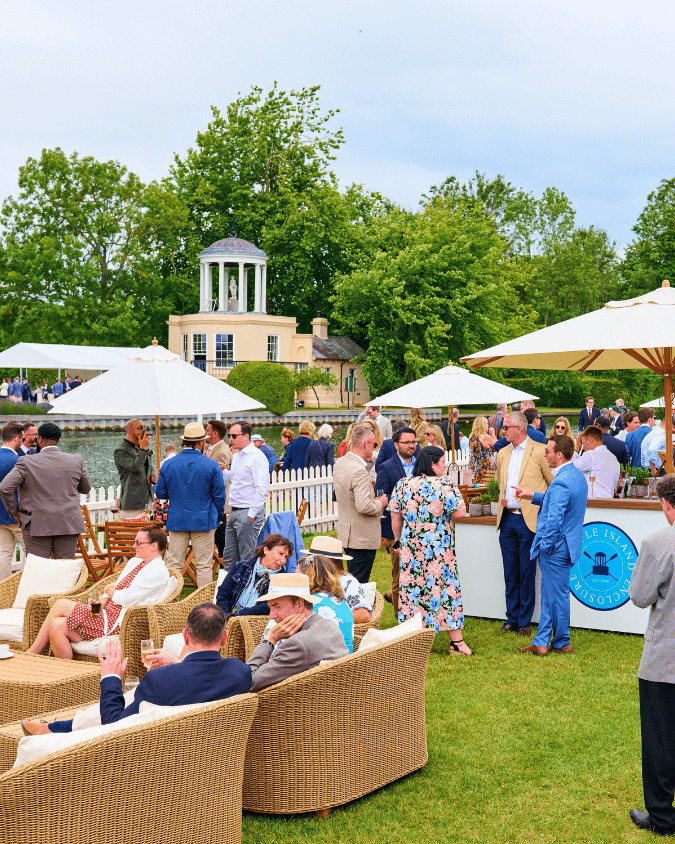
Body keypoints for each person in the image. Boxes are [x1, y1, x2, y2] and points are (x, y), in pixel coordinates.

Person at [21, 603, 251, 735]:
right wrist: (179, 664)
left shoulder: (158, 679)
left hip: (146, 757)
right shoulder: (240, 673)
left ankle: (53, 731)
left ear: (185, 635)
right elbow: (199, 681)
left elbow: (115, 726)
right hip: (203, 754)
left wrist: (110, 677)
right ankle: (54, 728)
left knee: (121, 702)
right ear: (224, 638)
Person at [26, 525, 169, 659]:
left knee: (60, 604)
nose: (134, 546)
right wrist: (100, 604)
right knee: (55, 625)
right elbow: (115, 588)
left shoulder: (158, 571)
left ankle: (31, 654)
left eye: (138, 542)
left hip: (117, 623)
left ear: (153, 546)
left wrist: (109, 589)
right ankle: (66, 674)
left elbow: (124, 598)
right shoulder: (135, 562)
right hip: (105, 614)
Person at [389, 445, 471, 655]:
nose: (444, 466)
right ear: (432, 464)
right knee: (445, 589)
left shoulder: (403, 484)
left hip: (411, 547)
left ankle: (410, 641)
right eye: (442, 462)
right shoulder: (445, 485)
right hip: (438, 547)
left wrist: (398, 541)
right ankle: (457, 643)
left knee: (412, 591)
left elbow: (395, 515)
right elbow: (460, 513)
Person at [628, 474, 675, 835]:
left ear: (665, 504)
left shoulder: (658, 542)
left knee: (660, 740)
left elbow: (641, 595)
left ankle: (662, 817)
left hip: (666, 658)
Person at [513, 435, 587, 656]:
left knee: (556, 594)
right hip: (566, 544)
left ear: (559, 455)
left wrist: (545, 545)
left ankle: (559, 641)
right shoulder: (576, 476)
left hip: (556, 546)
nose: (545, 455)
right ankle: (547, 641)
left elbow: (554, 518)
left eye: (548, 451)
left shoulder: (563, 480)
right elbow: (556, 499)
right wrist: (532, 495)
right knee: (552, 593)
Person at [495, 411, 553, 637]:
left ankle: (523, 622)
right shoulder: (502, 453)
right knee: (510, 571)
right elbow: (500, 484)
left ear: (519, 428)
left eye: (506, 427)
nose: (503, 431)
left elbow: (553, 486)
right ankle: (511, 618)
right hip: (507, 518)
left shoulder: (540, 452)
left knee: (527, 572)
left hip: (529, 519)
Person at [0, 422, 91, 558]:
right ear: (58, 440)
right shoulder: (76, 460)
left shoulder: (26, 462)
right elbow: (86, 489)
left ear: (40, 439)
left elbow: (4, 488)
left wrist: (15, 513)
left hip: (36, 524)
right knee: (64, 569)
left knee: (38, 569)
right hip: (68, 522)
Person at [246, 573, 349, 691]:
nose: (271, 616)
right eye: (270, 608)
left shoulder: (297, 644)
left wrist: (270, 639)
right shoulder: (331, 626)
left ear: (299, 604)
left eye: (277, 606)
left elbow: (248, 681)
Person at [155, 423, 226, 589]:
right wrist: (219, 515)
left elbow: (161, 493)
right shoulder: (211, 464)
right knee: (204, 565)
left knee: (174, 564)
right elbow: (219, 496)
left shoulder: (168, 464)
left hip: (178, 519)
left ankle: (171, 602)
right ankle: (203, 607)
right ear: (201, 443)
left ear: (185, 441)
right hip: (204, 519)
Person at [333, 425, 388, 583]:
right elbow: (364, 506)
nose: (374, 449)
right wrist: (380, 503)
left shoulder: (341, 463)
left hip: (347, 534)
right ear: (366, 444)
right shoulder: (359, 471)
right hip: (361, 537)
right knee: (358, 586)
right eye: (374, 445)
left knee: (352, 582)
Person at [375, 426, 418, 615]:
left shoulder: (421, 465)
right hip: (396, 530)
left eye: (413, 442)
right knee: (399, 574)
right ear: (396, 444)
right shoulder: (387, 467)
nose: (411, 446)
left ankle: (415, 611)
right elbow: (382, 498)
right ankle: (400, 617)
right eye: (406, 442)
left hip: (418, 528)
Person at [220, 421, 269, 571]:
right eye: (230, 435)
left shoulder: (257, 457)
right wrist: (221, 470)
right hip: (234, 510)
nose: (231, 439)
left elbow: (262, 489)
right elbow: (233, 479)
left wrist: (252, 514)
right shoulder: (238, 456)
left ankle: (247, 591)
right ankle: (230, 592)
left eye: (234, 435)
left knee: (246, 558)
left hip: (247, 511)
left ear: (246, 436)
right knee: (229, 557)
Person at [215, 533, 293, 618]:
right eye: (280, 553)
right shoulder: (241, 567)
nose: (283, 561)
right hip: (226, 618)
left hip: (252, 624)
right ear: (266, 550)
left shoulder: (282, 579)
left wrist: (238, 616)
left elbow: (268, 606)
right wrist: (227, 616)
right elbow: (223, 593)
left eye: (286, 557)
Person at [303, 536, 373, 623]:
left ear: (327, 561)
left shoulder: (346, 581)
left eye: (311, 559)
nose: (308, 564)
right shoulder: (308, 577)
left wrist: (329, 620)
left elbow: (363, 615)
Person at [298, 552, 355, 653]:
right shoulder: (340, 601)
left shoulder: (309, 604)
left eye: (296, 577)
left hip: (321, 665)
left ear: (307, 576)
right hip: (346, 662)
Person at [114, 420, 156, 519]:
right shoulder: (121, 451)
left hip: (148, 502)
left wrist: (152, 476)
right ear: (129, 430)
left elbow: (148, 468)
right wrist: (143, 449)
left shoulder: (141, 449)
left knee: (149, 534)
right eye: (140, 428)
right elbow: (135, 468)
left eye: (144, 427)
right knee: (131, 534)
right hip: (132, 505)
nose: (144, 430)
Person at [0, 424, 26, 579]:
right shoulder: (18, 460)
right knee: (30, 552)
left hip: (0, 516)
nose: (22, 442)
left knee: (3, 553)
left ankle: (3, 591)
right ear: (16, 438)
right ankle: (21, 587)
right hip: (17, 515)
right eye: (22, 439)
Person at [205, 419, 232, 556]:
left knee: (221, 538)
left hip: (219, 503)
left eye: (208, 430)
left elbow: (221, 481)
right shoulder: (217, 449)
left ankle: (224, 564)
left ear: (214, 433)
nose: (205, 433)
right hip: (219, 502)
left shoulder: (221, 451)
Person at [573, 425, 620, 497]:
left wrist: (577, 449)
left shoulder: (591, 455)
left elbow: (570, 467)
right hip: (609, 503)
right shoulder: (614, 458)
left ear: (590, 440)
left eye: (583, 444)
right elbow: (614, 486)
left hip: (594, 504)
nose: (583, 448)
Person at [468, 416, 496, 483]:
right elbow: (498, 446)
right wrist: (493, 435)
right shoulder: (485, 437)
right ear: (482, 425)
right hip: (485, 468)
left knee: (475, 486)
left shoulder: (471, 437)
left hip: (474, 466)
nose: (488, 426)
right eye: (487, 423)